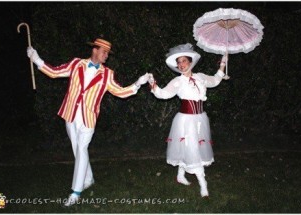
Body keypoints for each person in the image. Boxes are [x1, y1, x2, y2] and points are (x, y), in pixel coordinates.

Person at [27, 38, 150, 206]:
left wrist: (138, 84)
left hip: (88, 118)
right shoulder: (76, 64)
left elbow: (120, 92)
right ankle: (89, 178)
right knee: (77, 149)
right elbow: (55, 72)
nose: (106, 56)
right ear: (94, 50)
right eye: (104, 52)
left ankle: (76, 191)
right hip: (70, 113)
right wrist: (36, 59)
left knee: (82, 148)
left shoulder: (108, 74)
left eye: (108, 53)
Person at [148, 43, 227, 197]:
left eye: (184, 61)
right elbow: (163, 94)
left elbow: (216, 80)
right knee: (192, 149)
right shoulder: (178, 81)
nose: (181, 65)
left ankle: (180, 175)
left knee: (190, 148)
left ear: (190, 62)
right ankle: (203, 183)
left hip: (200, 119)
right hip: (186, 121)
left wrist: (223, 63)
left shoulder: (201, 77)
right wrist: (153, 85)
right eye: (179, 63)